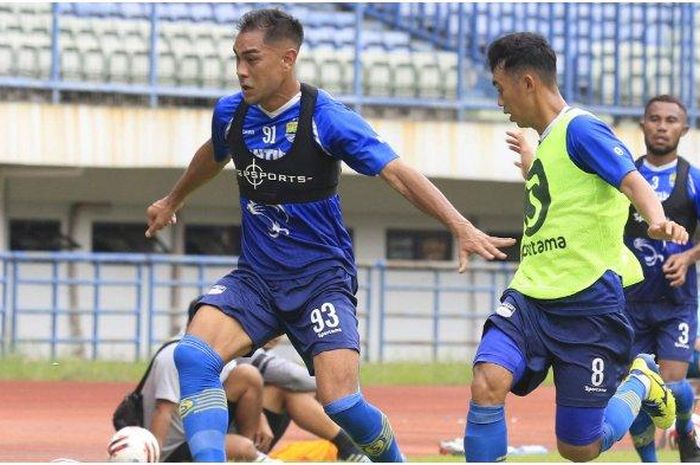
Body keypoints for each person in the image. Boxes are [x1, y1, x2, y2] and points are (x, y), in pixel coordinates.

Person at [144, 8, 515, 462]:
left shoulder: (328, 119)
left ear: (287, 59)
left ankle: (391, 460)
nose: (241, 70)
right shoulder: (231, 113)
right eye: (236, 59)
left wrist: (458, 224)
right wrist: (172, 199)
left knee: (341, 402)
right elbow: (214, 154)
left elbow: (397, 172)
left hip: (320, 281)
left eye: (252, 59)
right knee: (193, 356)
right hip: (257, 279)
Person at [464, 32, 689, 462]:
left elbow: (631, 178)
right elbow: (564, 202)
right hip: (531, 295)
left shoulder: (580, 128)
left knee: (578, 447)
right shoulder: (548, 140)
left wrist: (656, 218)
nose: (499, 101)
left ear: (527, 81)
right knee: (487, 380)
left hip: (588, 305)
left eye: (499, 87)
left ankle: (641, 381)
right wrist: (534, 167)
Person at [623, 95, 700, 462]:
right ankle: (650, 461)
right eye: (654, 118)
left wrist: (688, 256)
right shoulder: (622, 176)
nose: (662, 126)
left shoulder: (693, 179)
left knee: (670, 387)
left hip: (676, 302)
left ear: (683, 129)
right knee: (636, 387)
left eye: (671, 120)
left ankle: (684, 424)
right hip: (629, 302)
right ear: (643, 124)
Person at [140, 336, 275, 462]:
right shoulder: (173, 356)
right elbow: (163, 411)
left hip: (201, 422)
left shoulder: (215, 351)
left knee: (249, 374)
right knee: (244, 448)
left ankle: (249, 451)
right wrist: (155, 458)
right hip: (175, 447)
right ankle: (253, 456)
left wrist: (260, 417)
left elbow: (243, 380)